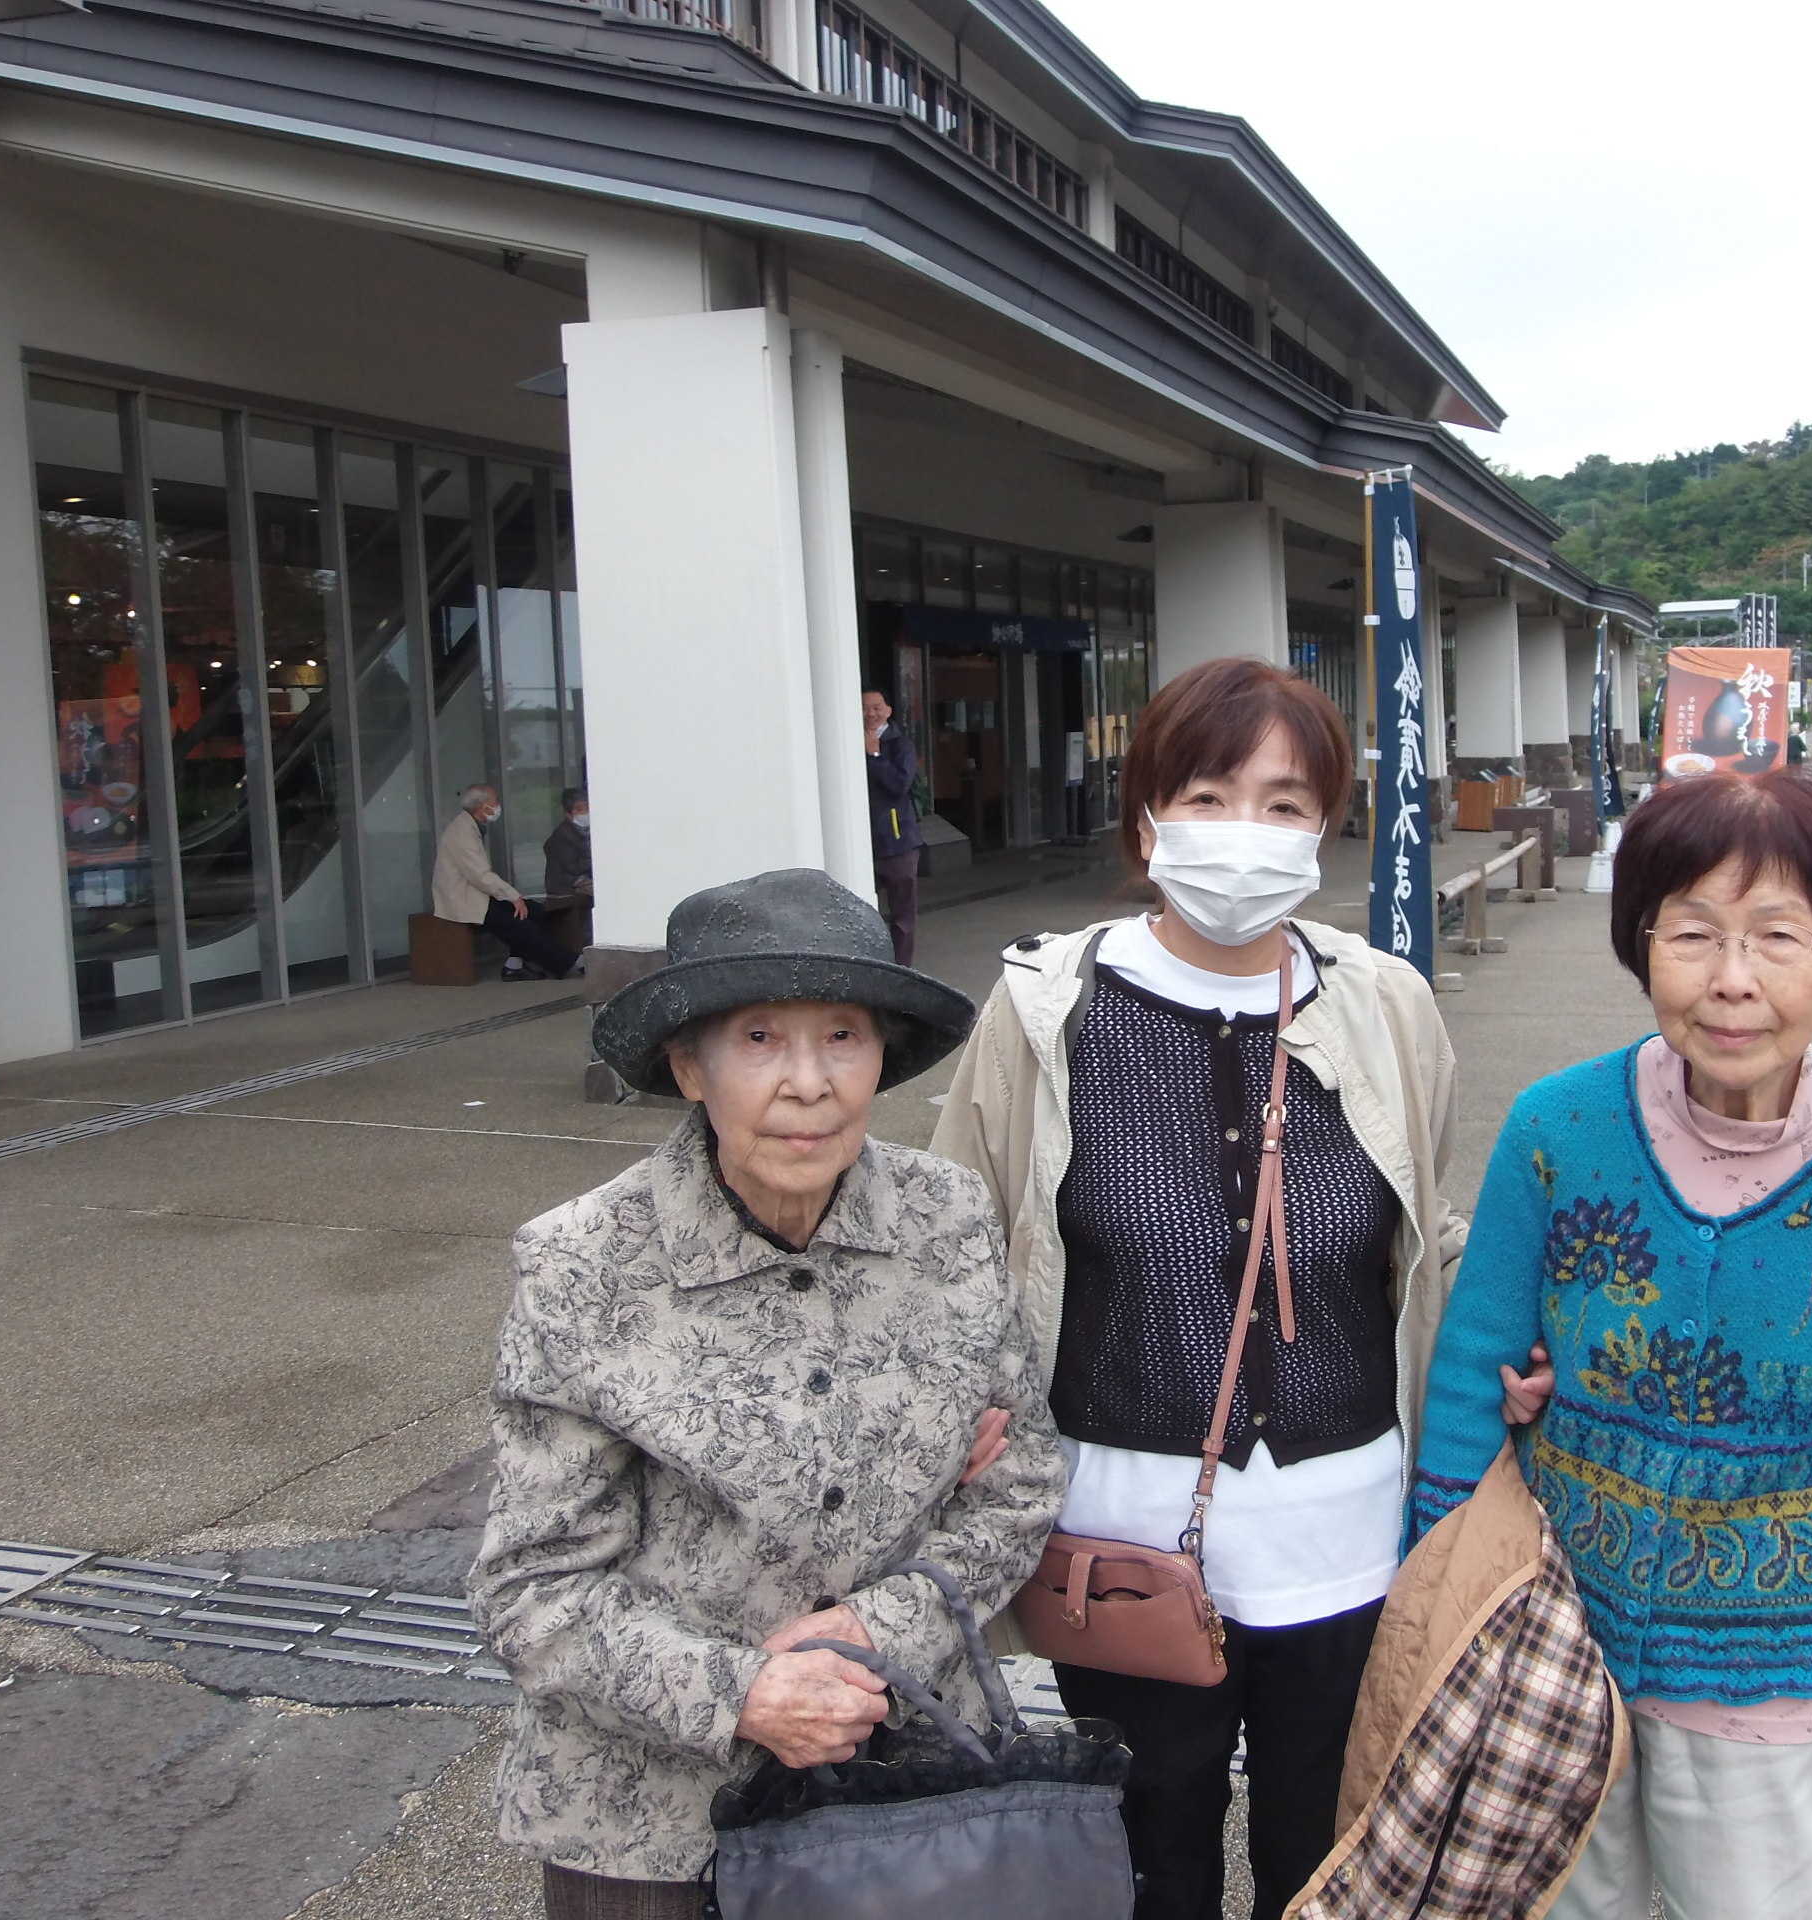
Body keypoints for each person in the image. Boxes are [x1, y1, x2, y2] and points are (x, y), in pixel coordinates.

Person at [930, 656, 1526, 1920]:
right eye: (1207, 794)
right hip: (1125, 1533)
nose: (1243, 834)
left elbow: (1421, 1225)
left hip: (1350, 1528)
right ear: (1147, 814)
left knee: (1332, 1851)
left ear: (1324, 826)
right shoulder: (1047, 1008)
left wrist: (1521, 1328)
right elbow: (957, 1238)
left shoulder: (1386, 1004)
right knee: (1153, 1860)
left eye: (1283, 803)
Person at [1411, 771, 1812, 1920]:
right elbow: (1476, 1357)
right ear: (1639, 944)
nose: (1731, 980)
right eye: (1691, 934)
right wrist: (1438, 1580)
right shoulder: (1557, 1128)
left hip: (1779, 1664)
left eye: (1776, 936)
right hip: (1552, 1639)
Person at [470, 867, 1064, 1918]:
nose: (810, 1081)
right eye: (759, 1039)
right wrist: (743, 1694)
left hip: (905, 1790)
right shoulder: (585, 1266)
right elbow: (533, 1589)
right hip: (651, 1830)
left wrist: (878, 1630)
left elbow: (1016, 1484)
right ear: (688, 1066)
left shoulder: (947, 1220)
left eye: (842, 1034)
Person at [433, 784, 579, 980]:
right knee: (520, 924)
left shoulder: (472, 826)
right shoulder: (461, 832)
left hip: (478, 895)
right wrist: (513, 897)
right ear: (481, 807)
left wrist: (514, 898)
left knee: (535, 912)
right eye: (495, 802)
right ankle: (575, 962)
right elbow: (480, 876)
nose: (499, 806)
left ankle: (514, 966)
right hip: (464, 900)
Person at [865, 688, 923, 966]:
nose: (870, 714)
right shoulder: (845, 741)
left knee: (902, 916)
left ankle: (901, 971)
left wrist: (875, 757)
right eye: (864, 708)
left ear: (887, 710)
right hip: (864, 843)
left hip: (898, 843)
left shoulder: (901, 745)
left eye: (876, 707)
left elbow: (900, 785)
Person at [542, 788, 593, 901]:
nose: (585, 812)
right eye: (579, 809)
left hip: (582, 880)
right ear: (569, 815)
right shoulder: (562, 836)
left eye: (588, 807)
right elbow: (575, 868)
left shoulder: (591, 829)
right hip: (566, 886)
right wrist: (595, 854)